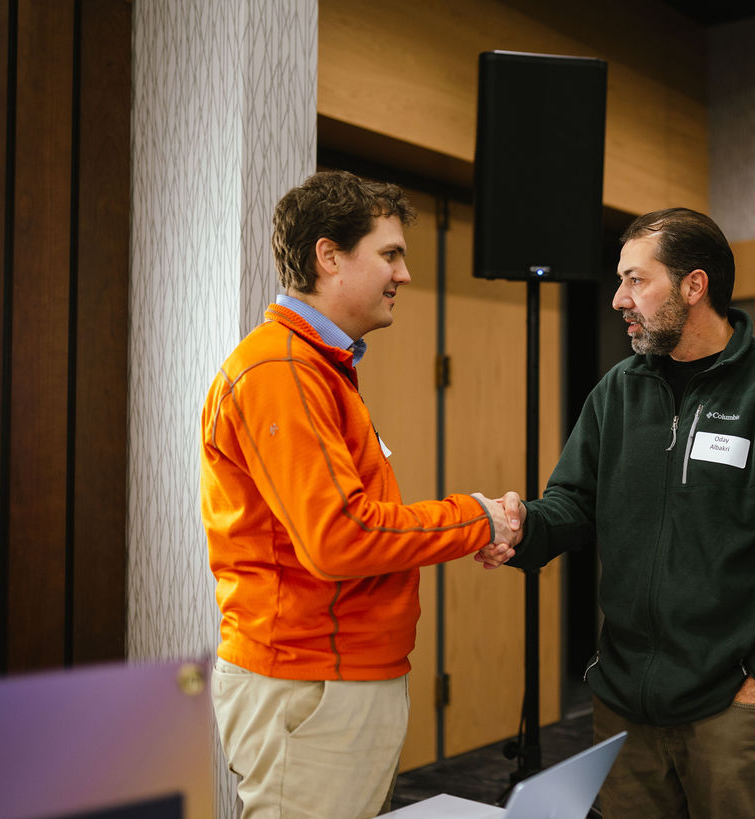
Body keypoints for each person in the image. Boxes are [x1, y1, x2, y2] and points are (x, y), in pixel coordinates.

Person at [498, 207, 755, 818]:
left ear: (695, 286)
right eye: (621, 280)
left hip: (732, 702)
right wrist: (521, 528)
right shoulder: (619, 390)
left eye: (636, 280)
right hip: (622, 701)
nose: (619, 298)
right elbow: (574, 502)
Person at [200, 170, 519, 819]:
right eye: (390, 253)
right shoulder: (281, 370)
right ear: (328, 255)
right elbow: (341, 535)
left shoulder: (318, 368)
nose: (403, 274)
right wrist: (477, 518)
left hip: (338, 677)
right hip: (311, 680)